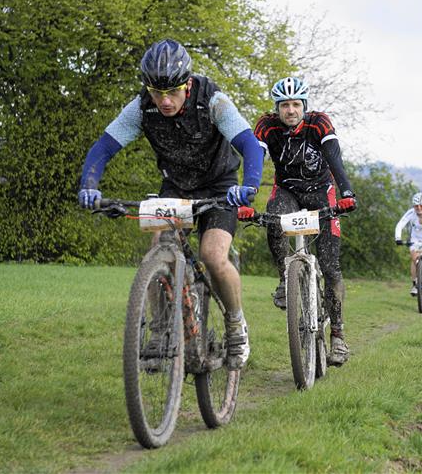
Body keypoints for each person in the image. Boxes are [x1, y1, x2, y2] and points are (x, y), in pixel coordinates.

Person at [77, 39, 264, 370]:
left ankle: (236, 323)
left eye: (173, 92)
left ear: (187, 84)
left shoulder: (213, 100)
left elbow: (249, 144)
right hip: (176, 186)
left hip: (219, 186)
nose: (164, 101)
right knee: (158, 249)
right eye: (156, 92)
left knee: (212, 255)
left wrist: (249, 185)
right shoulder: (141, 108)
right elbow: (103, 148)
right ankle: (161, 332)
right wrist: (89, 186)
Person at [249, 76, 356, 366]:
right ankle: (285, 279)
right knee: (274, 219)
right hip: (288, 190)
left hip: (322, 190)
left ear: (304, 106)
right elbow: (255, 158)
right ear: (277, 108)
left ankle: (338, 336)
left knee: (330, 267)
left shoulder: (318, 123)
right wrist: (247, 195)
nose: (290, 110)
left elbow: (334, 157)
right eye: (284, 105)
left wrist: (347, 192)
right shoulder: (266, 125)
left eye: (296, 104)